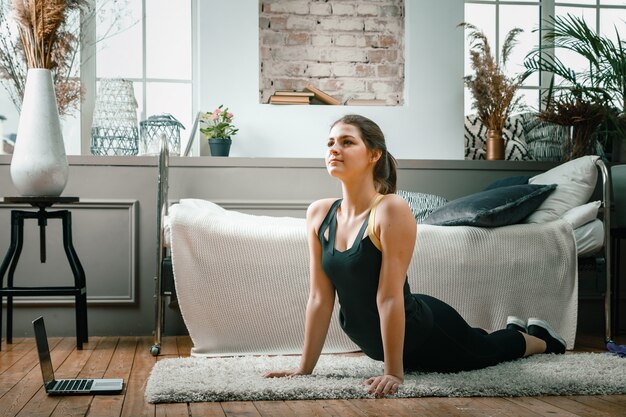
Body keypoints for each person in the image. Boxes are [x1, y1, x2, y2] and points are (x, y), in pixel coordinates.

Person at [263, 114, 566, 398]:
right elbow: (319, 298)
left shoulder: (390, 209)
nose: (334, 149)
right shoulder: (319, 213)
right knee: (482, 341)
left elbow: (389, 297)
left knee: (487, 350)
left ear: (374, 155)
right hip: (377, 341)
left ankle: (540, 338)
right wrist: (304, 369)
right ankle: (514, 329)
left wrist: (394, 373)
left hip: (424, 333)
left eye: (347, 142)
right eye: (330, 143)